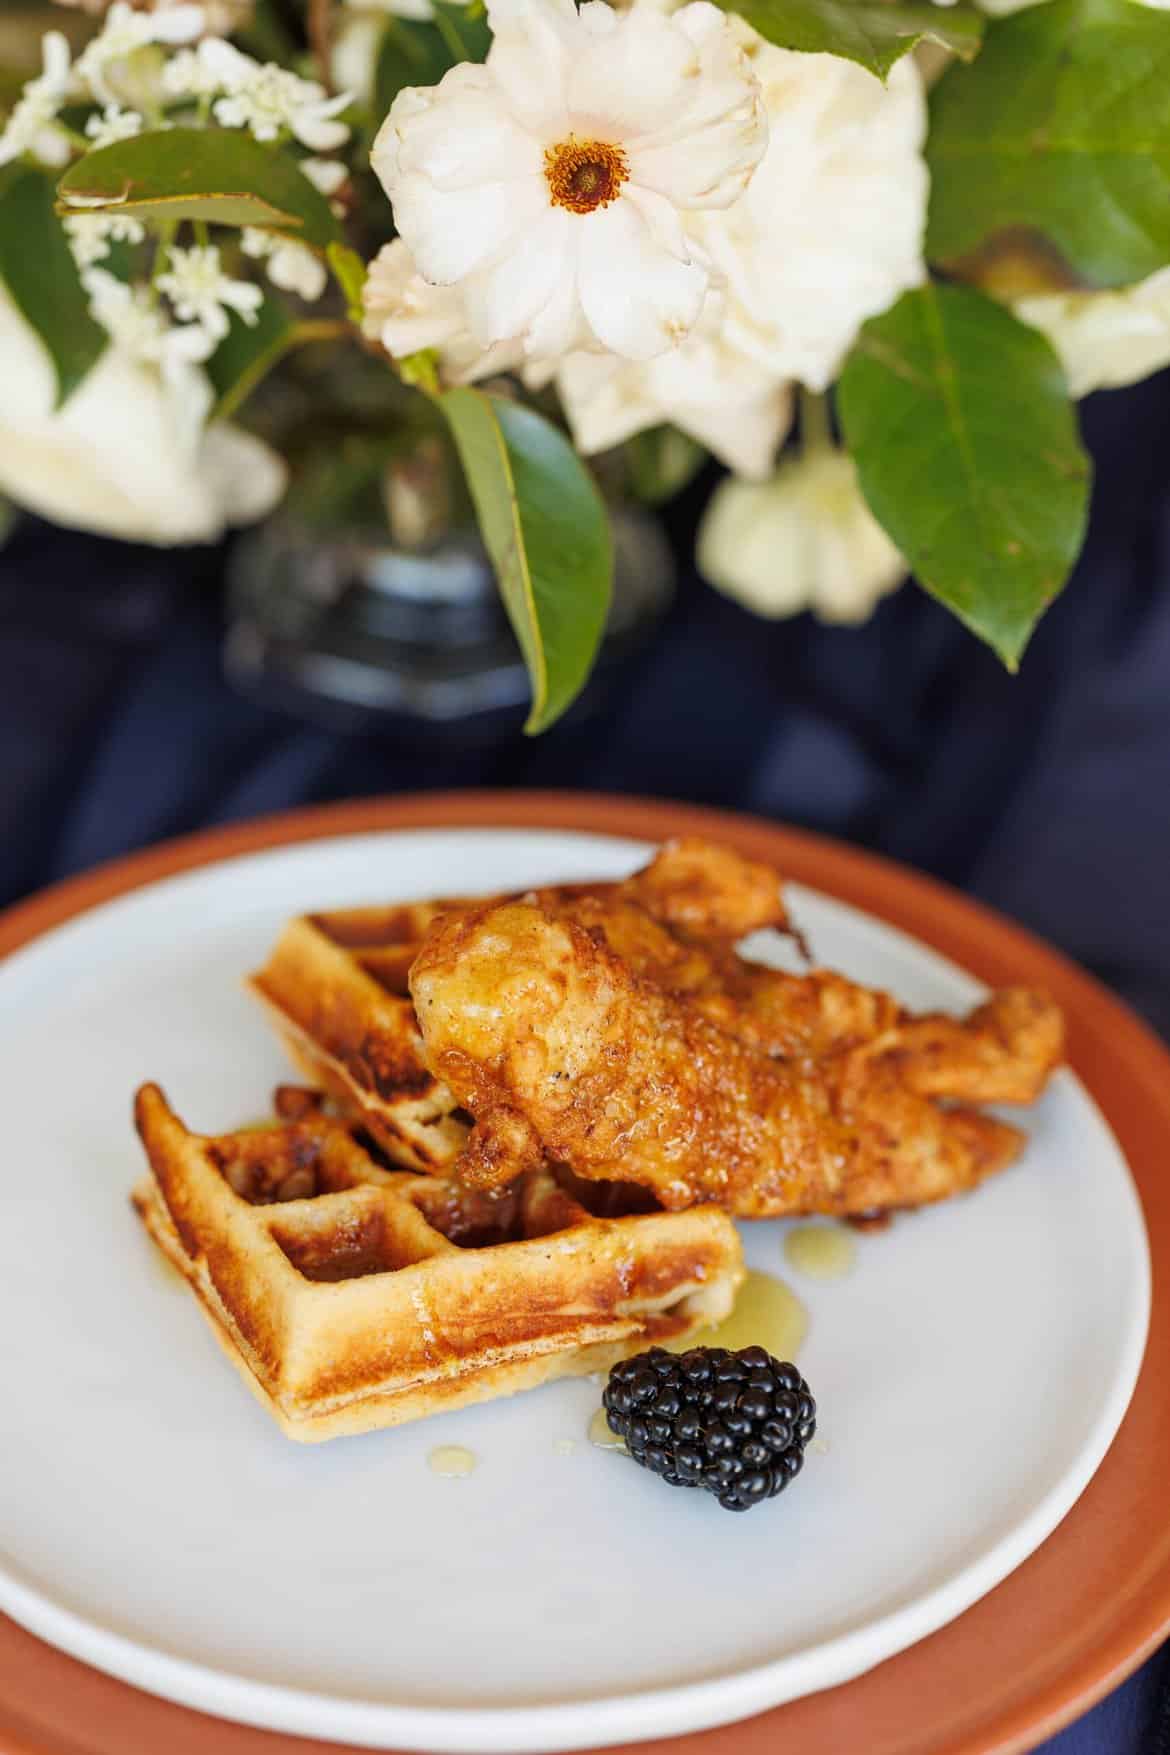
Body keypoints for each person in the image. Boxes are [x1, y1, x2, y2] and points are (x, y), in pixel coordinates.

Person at [2, 370, 1168, 1751]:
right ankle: (950, 1050)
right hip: (595, 1001)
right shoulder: (541, 993)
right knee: (736, 1049)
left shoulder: (663, 1033)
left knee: (865, 1077)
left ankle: (961, 1053)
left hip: (670, 1023)